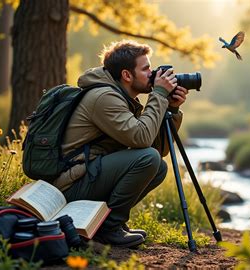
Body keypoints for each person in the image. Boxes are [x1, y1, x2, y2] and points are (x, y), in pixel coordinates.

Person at [52, 40, 188, 248]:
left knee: (157, 166)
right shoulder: (104, 97)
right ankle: (109, 228)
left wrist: (172, 110)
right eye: (146, 69)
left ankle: (106, 223)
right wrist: (159, 95)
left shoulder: (122, 97)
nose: (152, 74)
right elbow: (142, 140)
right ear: (126, 75)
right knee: (148, 160)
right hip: (70, 185)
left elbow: (156, 149)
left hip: (89, 173)